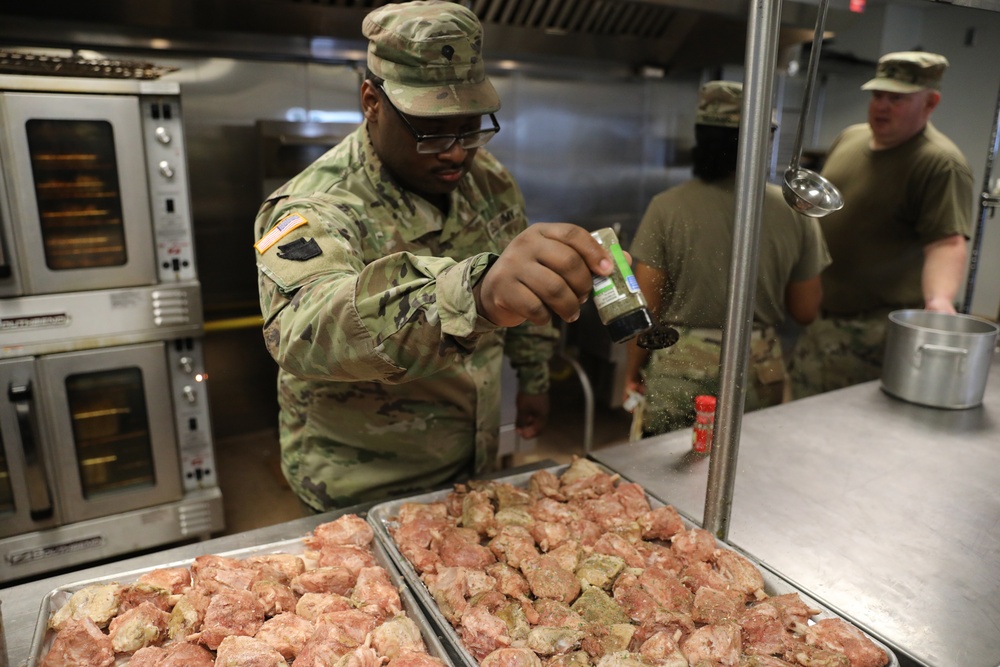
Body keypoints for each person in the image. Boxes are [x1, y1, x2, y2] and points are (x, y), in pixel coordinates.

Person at [253, 0, 612, 511]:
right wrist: (474, 294)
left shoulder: (487, 181)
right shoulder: (315, 206)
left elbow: (524, 287)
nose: (455, 152)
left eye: (469, 126)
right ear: (371, 102)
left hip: (474, 460)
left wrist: (534, 379)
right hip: (361, 483)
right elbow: (305, 328)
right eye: (432, 129)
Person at [623, 80, 831, 436]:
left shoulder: (667, 208)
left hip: (680, 370)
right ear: (764, 140)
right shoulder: (795, 212)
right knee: (747, 474)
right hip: (756, 371)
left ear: (702, 138)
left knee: (664, 477)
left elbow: (646, 312)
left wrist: (630, 374)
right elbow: (805, 310)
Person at [790, 51, 973, 399]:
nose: (882, 107)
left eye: (897, 99)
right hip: (820, 321)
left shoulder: (939, 163)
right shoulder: (850, 138)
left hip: (875, 333)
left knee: (856, 433)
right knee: (800, 421)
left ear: (930, 102)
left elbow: (946, 243)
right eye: (877, 95)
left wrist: (939, 301)